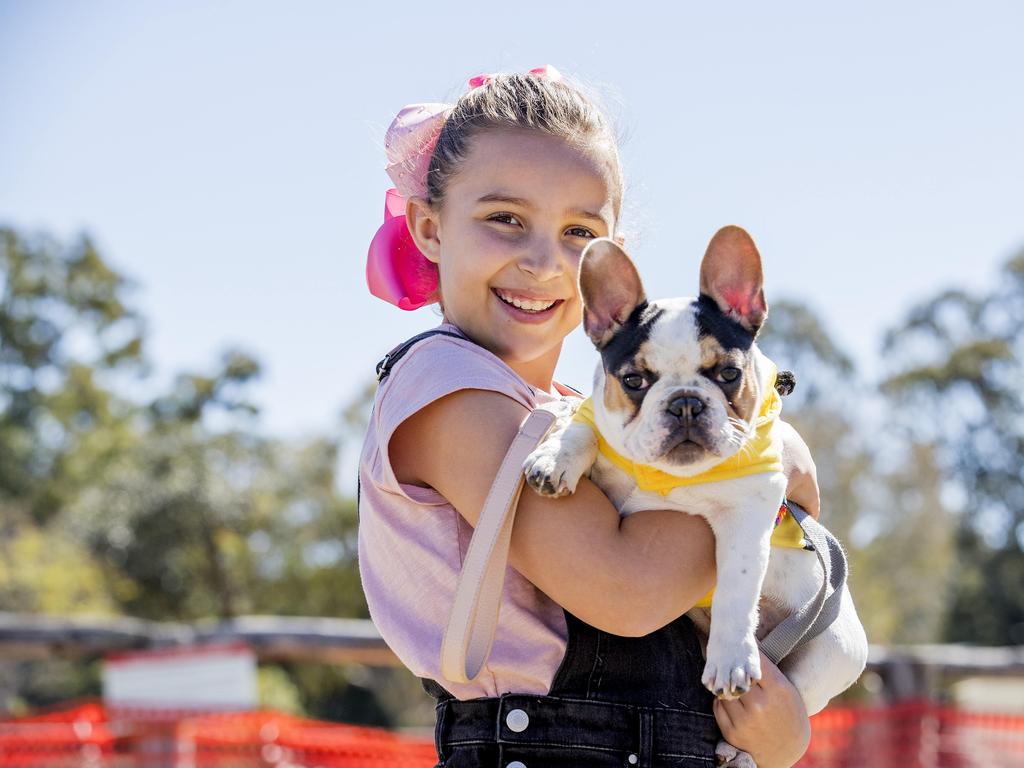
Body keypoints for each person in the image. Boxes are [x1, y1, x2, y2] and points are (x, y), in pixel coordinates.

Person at [358, 66, 821, 768]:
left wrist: (781, 733)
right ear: (428, 226)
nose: (545, 263)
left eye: (579, 231)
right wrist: (767, 471)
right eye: (504, 218)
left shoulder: (584, 417)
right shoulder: (445, 384)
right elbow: (626, 589)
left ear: (612, 268)